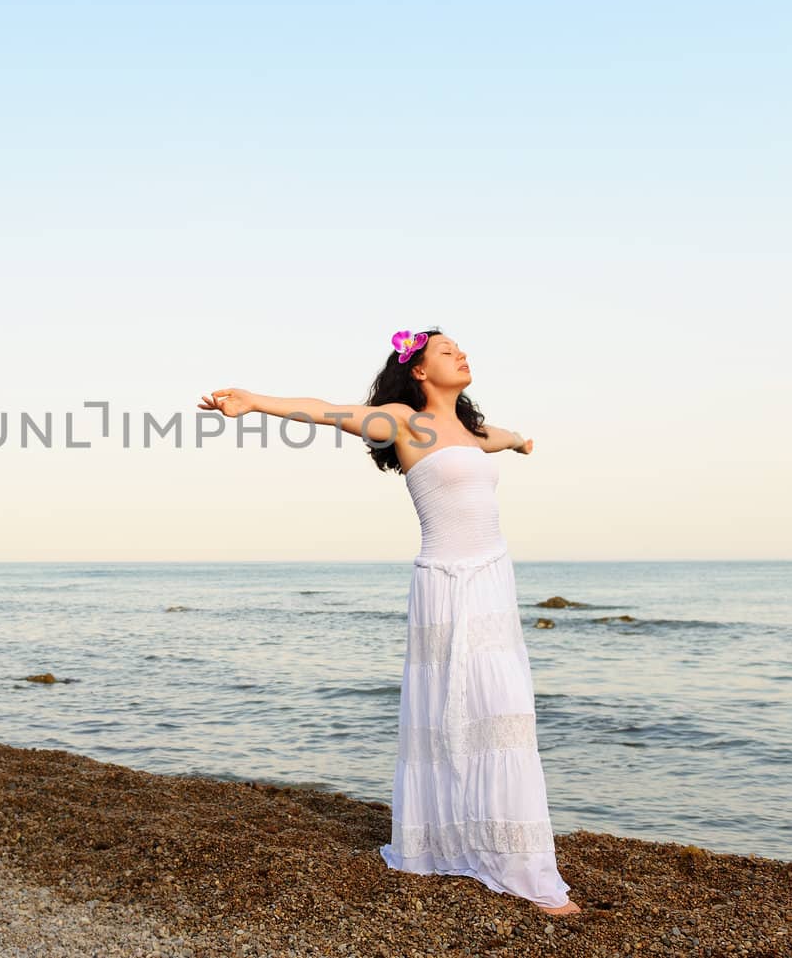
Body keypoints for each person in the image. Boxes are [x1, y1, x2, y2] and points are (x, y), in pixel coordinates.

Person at [198, 328, 582, 917]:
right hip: (444, 580)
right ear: (421, 371)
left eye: (461, 347)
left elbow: (500, 438)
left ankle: (505, 849)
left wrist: (523, 442)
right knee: (451, 709)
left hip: (492, 578)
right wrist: (255, 402)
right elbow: (333, 413)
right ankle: (473, 853)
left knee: (500, 709)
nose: (461, 354)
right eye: (447, 350)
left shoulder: (475, 434)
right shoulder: (406, 421)